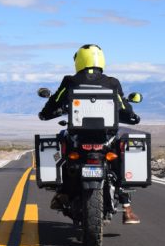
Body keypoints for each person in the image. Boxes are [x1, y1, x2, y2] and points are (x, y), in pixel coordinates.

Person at [38, 44, 141, 225]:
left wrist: (45, 114)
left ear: (79, 60)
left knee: (60, 146)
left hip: (78, 139)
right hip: (105, 138)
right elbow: (123, 106)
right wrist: (132, 116)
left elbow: (54, 101)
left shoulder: (70, 81)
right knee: (121, 160)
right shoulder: (112, 83)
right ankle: (127, 207)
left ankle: (62, 193)